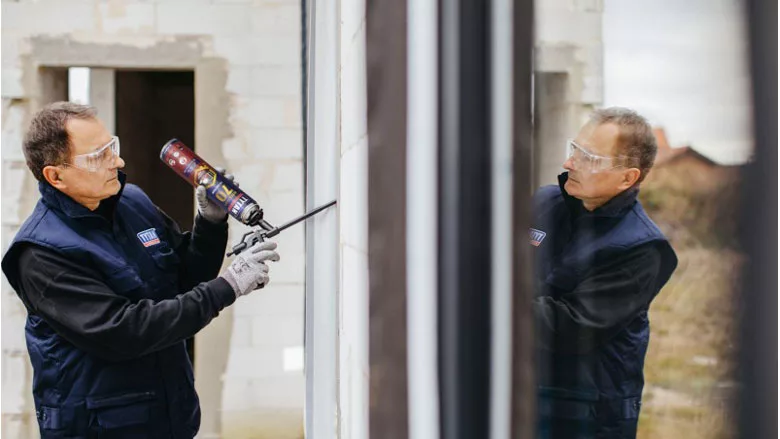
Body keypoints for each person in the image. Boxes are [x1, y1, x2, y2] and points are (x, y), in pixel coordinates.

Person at [1, 102, 279, 438]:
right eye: (98, 156)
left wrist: (210, 223)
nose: (117, 162)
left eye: (112, 147)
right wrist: (229, 286)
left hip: (167, 419)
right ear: (55, 176)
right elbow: (125, 331)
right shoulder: (41, 253)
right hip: (99, 430)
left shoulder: (132, 202)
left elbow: (185, 280)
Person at [531, 107, 678, 438]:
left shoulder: (643, 249)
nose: (570, 163)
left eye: (589, 158)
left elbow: (569, 327)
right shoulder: (543, 203)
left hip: (586, 415)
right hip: (527, 393)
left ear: (628, 178)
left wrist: (486, 300)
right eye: (574, 150)